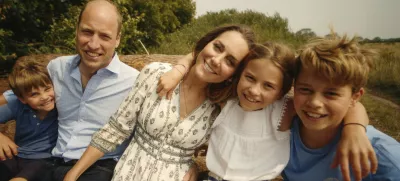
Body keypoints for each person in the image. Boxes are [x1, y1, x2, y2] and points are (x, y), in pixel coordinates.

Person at [158, 42, 375, 181]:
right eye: (250, 78)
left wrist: (354, 130)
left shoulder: (284, 109)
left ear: (282, 91)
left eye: (268, 86)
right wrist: (178, 70)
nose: (254, 91)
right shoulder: (227, 100)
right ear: (239, 74)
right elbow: (199, 56)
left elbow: (350, 104)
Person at [63, 24, 256, 181]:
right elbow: (116, 129)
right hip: (129, 174)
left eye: (230, 61)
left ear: (234, 75)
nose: (216, 60)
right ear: (207, 43)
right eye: (218, 47)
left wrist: (196, 168)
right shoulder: (156, 73)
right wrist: (73, 175)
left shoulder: (221, 107)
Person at [282, 33, 400, 180]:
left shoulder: (384, 158)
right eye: (305, 90)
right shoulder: (283, 132)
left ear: (355, 97)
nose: (314, 102)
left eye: (331, 93)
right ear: (294, 87)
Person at [44, 0, 139, 180]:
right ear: (77, 31)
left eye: (104, 36)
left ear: (117, 39)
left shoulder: (134, 82)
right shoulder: (56, 69)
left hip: (101, 168)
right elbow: (16, 98)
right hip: (51, 163)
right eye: (87, 32)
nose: (93, 44)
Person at [0, 60, 58, 181]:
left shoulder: (61, 106)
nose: (44, 97)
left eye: (47, 89)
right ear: (22, 99)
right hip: (17, 154)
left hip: (45, 160)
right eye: (34, 94)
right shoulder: (18, 106)